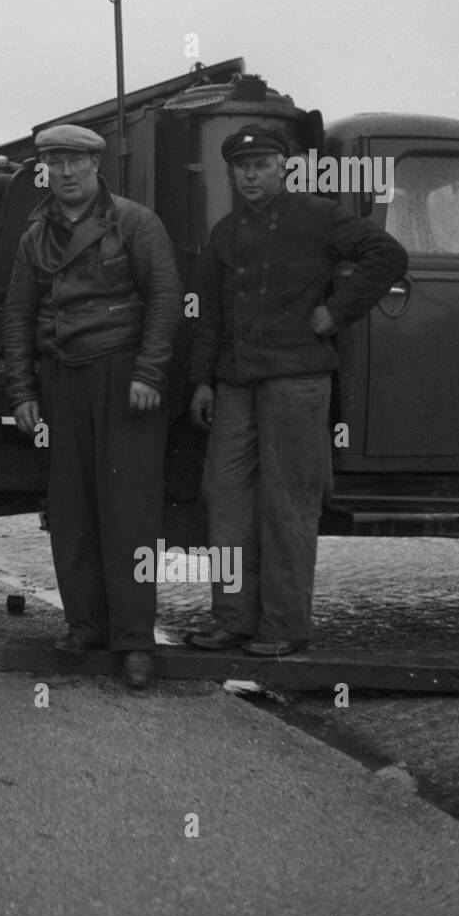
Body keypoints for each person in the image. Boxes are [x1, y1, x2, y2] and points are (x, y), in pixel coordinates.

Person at [185, 124, 408, 656]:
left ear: (283, 168)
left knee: (287, 503)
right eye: (243, 168)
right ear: (232, 173)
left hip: (297, 381)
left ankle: (284, 628)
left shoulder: (318, 215)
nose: (251, 176)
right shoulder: (225, 232)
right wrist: (202, 381)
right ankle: (233, 619)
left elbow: (387, 255)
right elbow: (210, 313)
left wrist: (337, 311)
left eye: (262, 166)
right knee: (225, 498)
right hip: (236, 383)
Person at [4, 124, 183, 689]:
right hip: (62, 378)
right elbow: (18, 314)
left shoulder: (135, 222)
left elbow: (165, 299)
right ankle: (84, 625)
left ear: (95, 165)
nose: (65, 173)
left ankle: (134, 642)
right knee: (70, 509)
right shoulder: (35, 235)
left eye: (75, 162)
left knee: (129, 511)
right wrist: (23, 391)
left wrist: (149, 373)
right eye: (55, 163)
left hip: (122, 378)